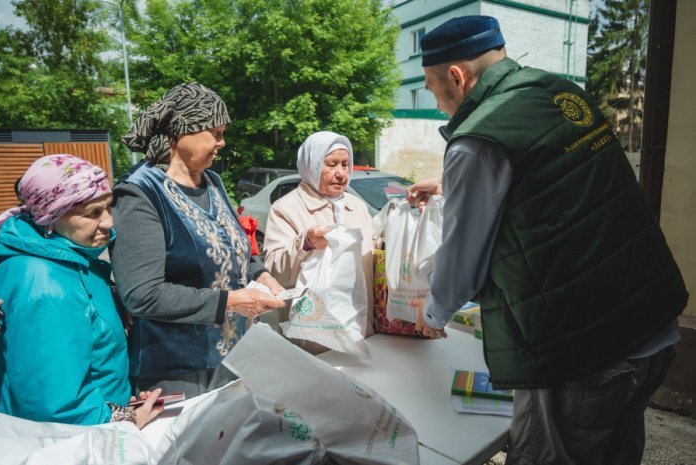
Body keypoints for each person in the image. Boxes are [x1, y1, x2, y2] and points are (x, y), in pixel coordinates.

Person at [406, 16, 688, 465]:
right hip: (653, 327)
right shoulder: (557, 92)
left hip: (585, 355)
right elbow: (556, 182)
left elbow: (461, 267)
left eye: (432, 87)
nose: (438, 102)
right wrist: (450, 185)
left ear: (456, 77)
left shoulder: (475, 140)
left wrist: (433, 314)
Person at [111, 82, 285, 398]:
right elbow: (142, 295)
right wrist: (232, 301)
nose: (222, 142)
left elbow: (234, 247)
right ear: (181, 131)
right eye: (215, 133)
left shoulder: (212, 181)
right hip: (178, 371)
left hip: (235, 353)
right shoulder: (140, 194)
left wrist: (262, 275)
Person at [0, 154, 162, 427]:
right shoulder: (45, 284)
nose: (109, 222)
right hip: (79, 439)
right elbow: (54, 403)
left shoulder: (70, 259)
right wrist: (125, 417)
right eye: (93, 213)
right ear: (50, 217)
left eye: (109, 208)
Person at [263, 131, 375, 352]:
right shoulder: (286, 209)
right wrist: (305, 243)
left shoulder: (357, 206)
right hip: (314, 342)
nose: (341, 173)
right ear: (311, 165)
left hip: (363, 332)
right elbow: (274, 270)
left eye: (345, 164)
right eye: (332, 164)